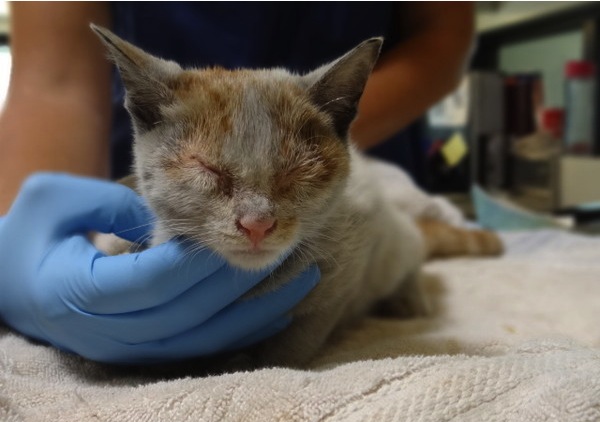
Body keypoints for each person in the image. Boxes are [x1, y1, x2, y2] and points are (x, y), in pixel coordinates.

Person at [0, 2, 475, 363]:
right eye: (212, 175)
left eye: (293, 176)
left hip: (345, 137)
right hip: (178, 143)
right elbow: (52, 82)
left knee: (390, 241)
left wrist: (298, 133)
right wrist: (21, 249)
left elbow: (441, 38)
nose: (256, 222)